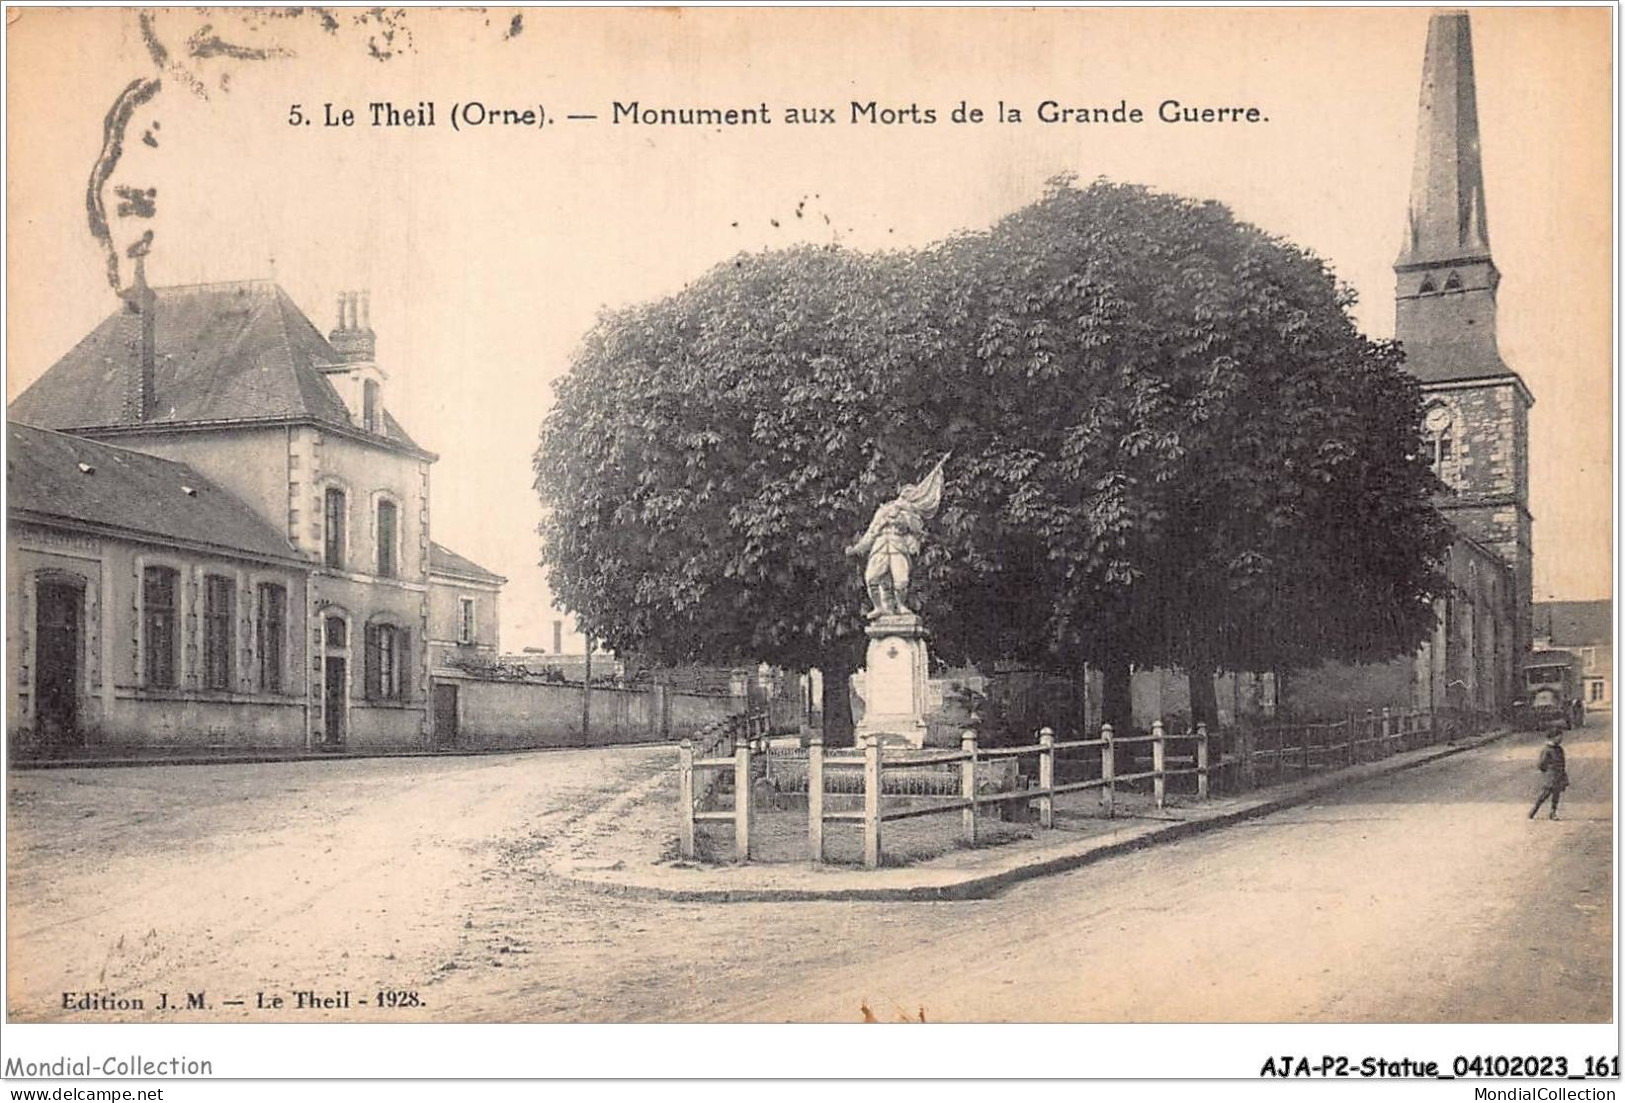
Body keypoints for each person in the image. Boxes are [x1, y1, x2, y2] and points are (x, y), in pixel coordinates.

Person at [1528, 725, 1569, 820]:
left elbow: (1562, 762)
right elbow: (1541, 764)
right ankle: (1534, 810)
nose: (1561, 738)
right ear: (1552, 737)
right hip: (1551, 776)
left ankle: (1553, 812)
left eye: (1561, 736)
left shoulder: (1559, 749)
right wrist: (1548, 772)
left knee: (1556, 794)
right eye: (1558, 736)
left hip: (1559, 775)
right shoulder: (1547, 750)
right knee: (1545, 794)